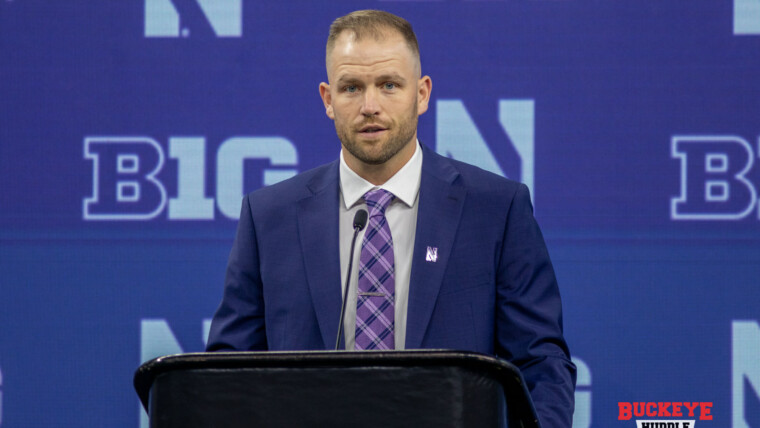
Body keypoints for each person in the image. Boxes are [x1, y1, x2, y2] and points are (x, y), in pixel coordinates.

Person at [206, 9, 576, 427]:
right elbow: (225, 375)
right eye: (351, 88)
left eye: (388, 85)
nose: (370, 106)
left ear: (421, 94)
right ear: (328, 99)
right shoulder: (268, 216)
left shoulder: (495, 208)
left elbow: (539, 364)